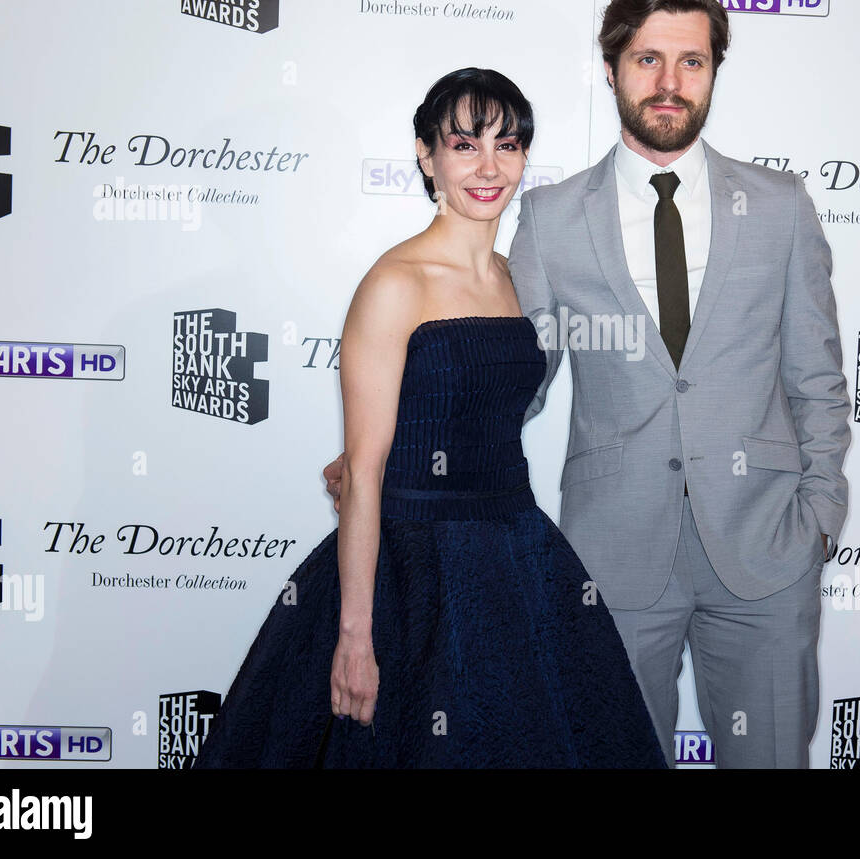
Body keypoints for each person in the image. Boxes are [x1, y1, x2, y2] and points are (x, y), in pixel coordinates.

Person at [330, 0, 851, 769]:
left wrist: (818, 517)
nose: (670, 83)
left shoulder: (779, 205)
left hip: (766, 554)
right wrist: (387, 454)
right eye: (648, 59)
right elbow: (515, 374)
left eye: (692, 62)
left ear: (714, 71)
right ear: (611, 70)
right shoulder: (551, 216)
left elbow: (818, 376)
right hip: (610, 559)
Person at [195, 68, 666, 769]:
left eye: (507, 145)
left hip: (519, 558)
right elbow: (364, 468)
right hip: (409, 574)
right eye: (464, 144)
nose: (488, 166)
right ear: (426, 155)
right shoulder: (396, 283)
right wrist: (356, 633)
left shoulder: (518, 277)